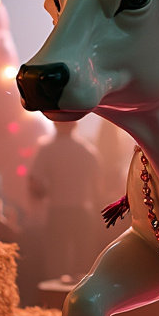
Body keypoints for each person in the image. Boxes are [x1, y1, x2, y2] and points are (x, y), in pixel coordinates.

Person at [29, 120, 105, 280]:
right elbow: (98, 188)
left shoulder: (47, 150)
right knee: (83, 265)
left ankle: (55, 303)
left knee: (56, 265)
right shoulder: (87, 150)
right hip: (82, 213)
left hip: (57, 212)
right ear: (75, 125)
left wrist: (45, 194)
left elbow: (34, 182)